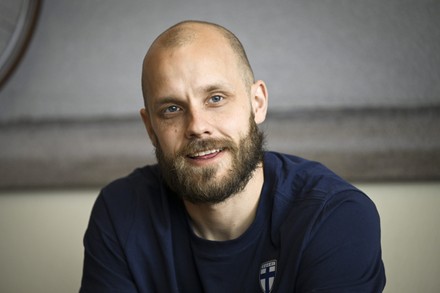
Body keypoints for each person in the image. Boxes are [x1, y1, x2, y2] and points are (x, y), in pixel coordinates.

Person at [80, 20, 386, 292]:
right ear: (150, 127)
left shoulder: (334, 217)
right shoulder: (121, 212)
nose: (198, 127)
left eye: (216, 98)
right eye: (172, 109)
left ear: (257, 103)